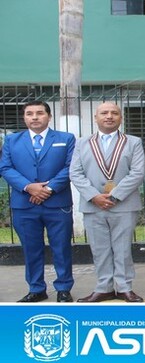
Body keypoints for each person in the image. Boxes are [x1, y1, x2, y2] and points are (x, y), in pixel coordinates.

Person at [0, 101, 76, 303]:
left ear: (49, 116)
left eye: (40, 113)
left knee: (61, 247)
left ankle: (63, 288)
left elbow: (70, 167)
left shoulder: (66, 139)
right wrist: (29, 187)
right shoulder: (12, 140)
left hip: (57, 203)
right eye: (29, 114)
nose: (34, 117)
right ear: (24, 117)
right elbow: (6, 168)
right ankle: (36, 288)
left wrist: (48, 189)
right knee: (31, 248)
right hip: (24, 205)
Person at [70, 101, 145, 302]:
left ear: (121, 118)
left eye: (114, 113)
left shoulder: (133, 142)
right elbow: (75, 172)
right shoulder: (82, 142)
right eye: (104, 113)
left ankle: (124, 287)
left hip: (123, 204)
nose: (109, 116)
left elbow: (138, 172)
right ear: (96, 117)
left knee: (122, 248)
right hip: (92, 204)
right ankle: (103, 287)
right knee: (99, 248)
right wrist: (93, 195)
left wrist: (115, 195)